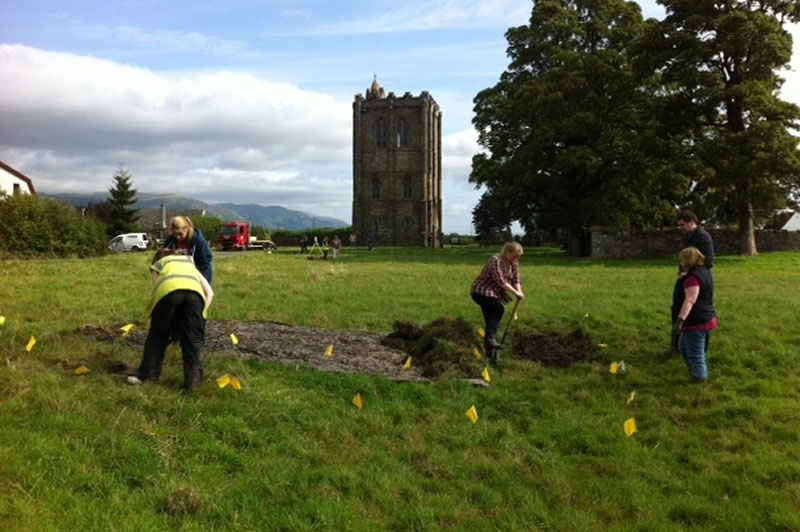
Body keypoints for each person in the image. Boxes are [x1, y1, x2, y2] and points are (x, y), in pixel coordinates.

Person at [128, 249, 214, 390]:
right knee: (194, 341)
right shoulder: (189, 263)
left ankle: (148, 376)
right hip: (195, 296)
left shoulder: (158, 265)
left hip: (168, 292)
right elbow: (210, 292)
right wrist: (202, 313)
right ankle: (193, 384)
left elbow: (158, 290)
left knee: (157, 336)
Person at [470, 242, 524, 361]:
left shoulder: (513, 263)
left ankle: (491, 352)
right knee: (498, 309)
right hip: (480, 291)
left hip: (492, 293)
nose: (516, 259)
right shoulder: (496, 261)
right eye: (515, 256)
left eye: (518, 257)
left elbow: (516, 279)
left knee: (490, 319)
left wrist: (519, 292)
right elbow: (500, 281)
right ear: (507, 252)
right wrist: (516, 293)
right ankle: (490, 341)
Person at [671, 246, 717, 383]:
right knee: (683, 348)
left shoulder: (693, 279)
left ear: (687, 260)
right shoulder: (705, 272)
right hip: (707, 316)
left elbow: (690, 300)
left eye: (682, 260)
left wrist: (680, 320)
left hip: (697, 321)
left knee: (696, 354)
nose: (680, 262)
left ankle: (699, 379)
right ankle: (695, 370)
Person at [163, 216, 214, 283]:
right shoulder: (170, 240)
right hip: (179, 275)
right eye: (175, 234)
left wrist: (191, 273)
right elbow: (163, 255)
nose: (177, 237)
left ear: (186, 229)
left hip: (200, 275)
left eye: (180, 234)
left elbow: (205, 262)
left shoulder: (199, 241)